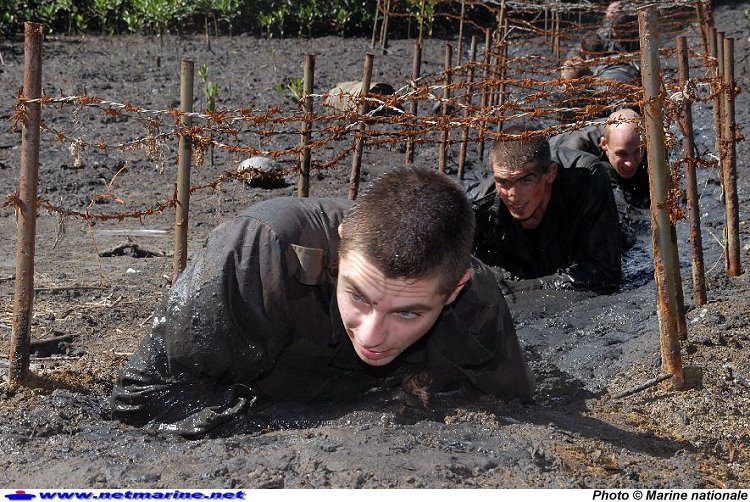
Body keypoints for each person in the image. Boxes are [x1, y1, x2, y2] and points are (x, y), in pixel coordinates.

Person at [112, 166, 535, 437]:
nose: (372, 335)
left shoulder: (476, 304)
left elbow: (511, 412)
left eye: (408, 312)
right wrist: (328, 416)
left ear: (455, 289)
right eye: (358, 295)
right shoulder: (257, 254)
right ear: (342, 241)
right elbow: (141, 399)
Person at [470, 129, 622, 295]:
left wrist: (521, 289)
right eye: (503, 182)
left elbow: (606, 274)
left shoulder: (585, 179)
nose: (513, 195)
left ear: (551, 173)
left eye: (525, 180)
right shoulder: (479, 210)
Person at [549, 108, 650, 211]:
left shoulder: (648, 140)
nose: (630, 163)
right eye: (621, 154)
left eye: (638, 151)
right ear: (604, 144)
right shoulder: (575, 159)